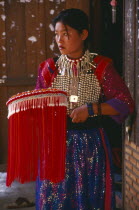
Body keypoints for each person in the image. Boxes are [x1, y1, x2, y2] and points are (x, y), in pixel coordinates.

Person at [35, 8, 134, 210]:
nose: (59, 40)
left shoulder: (100, 66)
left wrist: (91, 109)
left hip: (92, 146)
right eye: (57, 34)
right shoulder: (48, 69)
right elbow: (38, 103)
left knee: (90, 199)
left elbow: (125, 102)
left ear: (84, 34)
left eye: (66, 33)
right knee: (56, 198)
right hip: (56, 146)